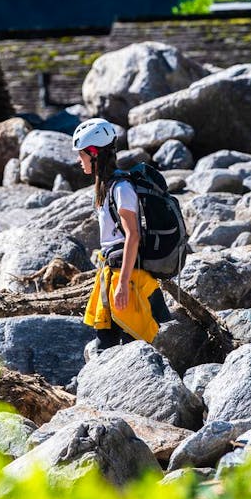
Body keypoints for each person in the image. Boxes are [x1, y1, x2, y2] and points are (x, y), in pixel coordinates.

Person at [72, 118, 167, 352]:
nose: (79, 160)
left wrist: (123, 283)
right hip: (110, 273)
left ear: (94, 153)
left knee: (129, 342)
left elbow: (132, 236)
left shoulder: (121, 189)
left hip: (126, 276)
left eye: (82, 154)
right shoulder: (104, 187)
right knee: (106, 340)